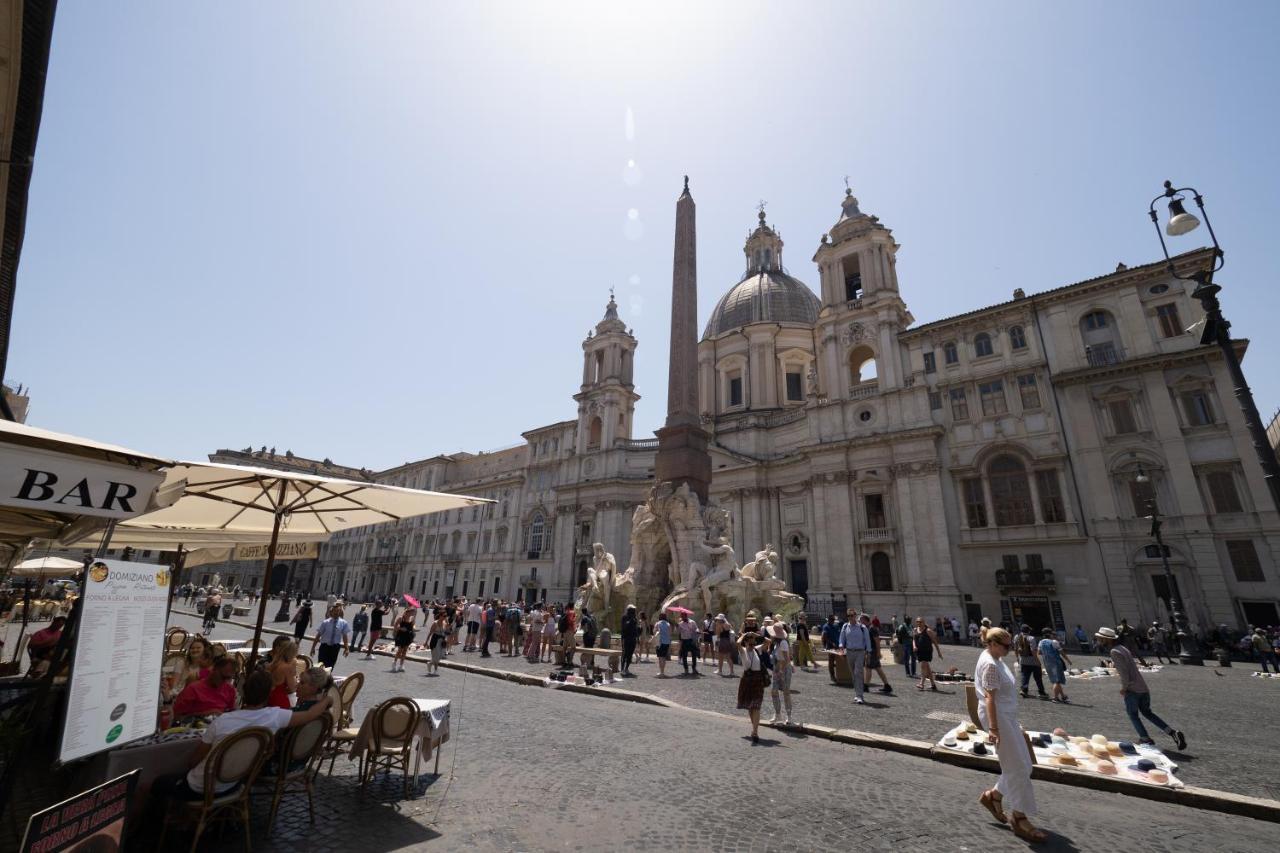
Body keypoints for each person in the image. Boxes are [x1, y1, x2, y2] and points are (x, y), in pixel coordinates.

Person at [154, 671, 334, 805]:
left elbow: (193, 762)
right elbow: (310, 714)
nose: (297, 684)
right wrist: (327, 700)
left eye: (302, 682)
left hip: (206, 786)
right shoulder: (275, 716)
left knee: (158, 783)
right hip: (238, 781)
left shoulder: (223, 721)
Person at [975, 627, 1045, 843]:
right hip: (998, 717)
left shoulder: (995, 657)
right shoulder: (990, 664)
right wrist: (994, 728)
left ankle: (993, 796)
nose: (1010, 649)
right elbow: (989, 699)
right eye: (1007, 646)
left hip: (1006, 716)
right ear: (993, 644)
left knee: (1025, 764)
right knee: (1016, 767)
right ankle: (1019, 817)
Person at [1095, 626, 1186, 750]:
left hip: (1132, 690)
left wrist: (1124, 688)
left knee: (1133, 715)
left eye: (1101, 639)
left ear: (1107, 639)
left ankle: (1145, 738)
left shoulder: (1114, 652)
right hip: (1142, 687)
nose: (1099, 641)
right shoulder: (1123, 648)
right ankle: (1172, 732)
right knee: (1148, 713)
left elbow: (1124, 673)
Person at [172, 655, 237, 719]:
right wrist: (204, 714)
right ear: (213, 670)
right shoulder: (193, 689)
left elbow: (232, 714)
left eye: (228, 678)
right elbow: (176, 716)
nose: (225, 681)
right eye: (223, 677)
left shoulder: (230, 690)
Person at [736, 631, 768, 743]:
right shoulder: (743, 651)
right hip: (747, 680)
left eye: (753, 643)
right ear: (745, 643)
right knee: (751, 706)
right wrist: (744, 635)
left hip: (758, 679)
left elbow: (768, 641)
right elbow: (738, 643)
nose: (752, 646)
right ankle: (754, 729)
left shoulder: (756, 649)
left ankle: (755, 731)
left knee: (756, 705)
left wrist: (756, 635)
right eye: (750, 644)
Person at [837, 609, 872, 703]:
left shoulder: (862, 627)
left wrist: (868, 652)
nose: (850, 617)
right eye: (849, 616)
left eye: (852, 615)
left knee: (858, 673)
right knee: (853, 674)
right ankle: (857, 693)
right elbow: (841, 638)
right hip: (849, 652)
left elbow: (867, 640)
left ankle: (860, 695)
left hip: (860, 652)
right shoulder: (845, 626)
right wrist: (841, 646)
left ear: (855, 616)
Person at [767, 621, 795, 725]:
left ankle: (789, 716)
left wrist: (781, 671)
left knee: (786, 692)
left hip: (783, 669)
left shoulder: (783, 643)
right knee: (774, 691)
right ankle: (778, 714)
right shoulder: (776, 643)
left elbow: (786, 659)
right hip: (777, 668)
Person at [310, 604, 352, 671]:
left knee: (330, 667)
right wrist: (313, 648)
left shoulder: (344, 623)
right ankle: (320, 679)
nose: (336, 613)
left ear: (340, 612)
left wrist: (346, 648)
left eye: (338, 611)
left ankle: (327, 679)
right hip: (324, 647)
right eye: (334, 611)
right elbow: (318, 635)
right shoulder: (325, 622)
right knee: (321, 665)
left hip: (335, 648)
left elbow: (345, 637)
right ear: (331, 612)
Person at [860, 613, 893, 694]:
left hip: (872, 651)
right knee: (878, 668)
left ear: (865, 620)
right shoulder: (867, 628)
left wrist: (878, 652)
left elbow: (877, 641)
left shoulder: (872, 629)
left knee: (868, 668)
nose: (859, 621)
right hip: (871, 651)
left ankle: (866, 686)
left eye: (861, 620)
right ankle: (887, 686)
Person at [1037, 627, 1071, 702]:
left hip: (1047, 663)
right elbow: (1062, 652)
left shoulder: (1041, 642)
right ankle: (1055, 698)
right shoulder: (1054, 642)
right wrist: (1068, 660)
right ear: (1050, 634)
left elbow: (1039, 652)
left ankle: (1063, 696)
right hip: (1056, 663)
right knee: (1057, 681)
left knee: (1055, 680)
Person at [268, 638, 299, 710]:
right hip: (279, 699)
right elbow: (293, 688)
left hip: (269, 696)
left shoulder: (272, 664)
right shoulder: (286, 668)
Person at [913, 617, 941, 691]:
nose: (919, 623)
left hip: (927, 651)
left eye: (920, 622)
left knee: (923, 666)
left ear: (923, 622)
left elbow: (935, 642)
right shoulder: (915, 630)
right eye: (917, 622)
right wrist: (914, 646)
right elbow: (913, 639)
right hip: (919, 651)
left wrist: (939, 652)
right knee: (927, 668)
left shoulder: (928, 631)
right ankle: (933, 685)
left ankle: (921, 684)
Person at [392, 606, 417, 672]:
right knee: (400, 650)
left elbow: (413, 625)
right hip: (401, 635)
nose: (412, 613)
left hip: (408, 636)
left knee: (405, 650)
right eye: (412, 612)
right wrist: (400, 628)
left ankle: (401, 665)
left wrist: (414, 627)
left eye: (413, 612)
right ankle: (394, 663)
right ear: (408, 612)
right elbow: (395, 626)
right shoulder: (401, 618)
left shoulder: (412, 619)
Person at [676, 610, 700, 674]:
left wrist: (697, 631)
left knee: (694, 655)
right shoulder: (680, 624)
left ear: (686, 616)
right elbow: (678, 632)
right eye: (681, 616)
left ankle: (694, 668)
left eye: (683, 616)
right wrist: (677, 626)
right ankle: (686, 669)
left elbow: (696, 628)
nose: (682, 617)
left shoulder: (692, 622)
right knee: (684, 656)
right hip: (684, 640)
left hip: (691, 640)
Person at [427, 609, 449, 675]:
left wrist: (447, 623)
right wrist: (426, 642)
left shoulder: (445, 623)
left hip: (442, 641)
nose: (445, 617)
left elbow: (447, 631)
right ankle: (435, 671)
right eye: (444, 616)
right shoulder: (435, 623)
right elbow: (430, 633)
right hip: (435, 640)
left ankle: (430, 663)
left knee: (439, 656)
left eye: (446, 616)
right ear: (440, 616)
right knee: (436, 656)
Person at [620, 605, 640, 674]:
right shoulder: (624, 617)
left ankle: (626, 668)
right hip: (626, 638)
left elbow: (635, 629)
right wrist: (630, 621)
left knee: (630, 654)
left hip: (633, 639)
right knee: (625, 654)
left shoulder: (635, 618)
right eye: (633, 610)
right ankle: (622, 669)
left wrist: (637, 638)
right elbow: (624, 628)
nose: (634, 612)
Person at [654, 612, 672, 677]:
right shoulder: (668, 624)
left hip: (660, 643)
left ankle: (661, 673)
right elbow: (670, 634)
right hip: (666, 643)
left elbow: (654, 632)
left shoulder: (657, 624)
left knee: (660, 658)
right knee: (663, 657)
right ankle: (662, 671)